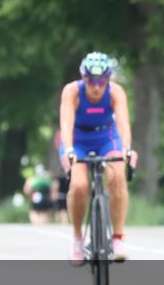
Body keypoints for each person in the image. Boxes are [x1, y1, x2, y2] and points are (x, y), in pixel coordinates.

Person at [59, 52, 138, 264]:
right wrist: (68, 150)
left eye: (102, 81)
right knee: (79, 186)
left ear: (108, 79)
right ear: (83, 78)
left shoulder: (115, 92)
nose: (96, 87)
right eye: (91, 81)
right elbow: (66, 124)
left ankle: (118, 238)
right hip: (78, 140)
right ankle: (77, 239)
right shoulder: (72, 91)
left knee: (117, 177)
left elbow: (123, 123)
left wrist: (127, 149)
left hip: (106, 138)